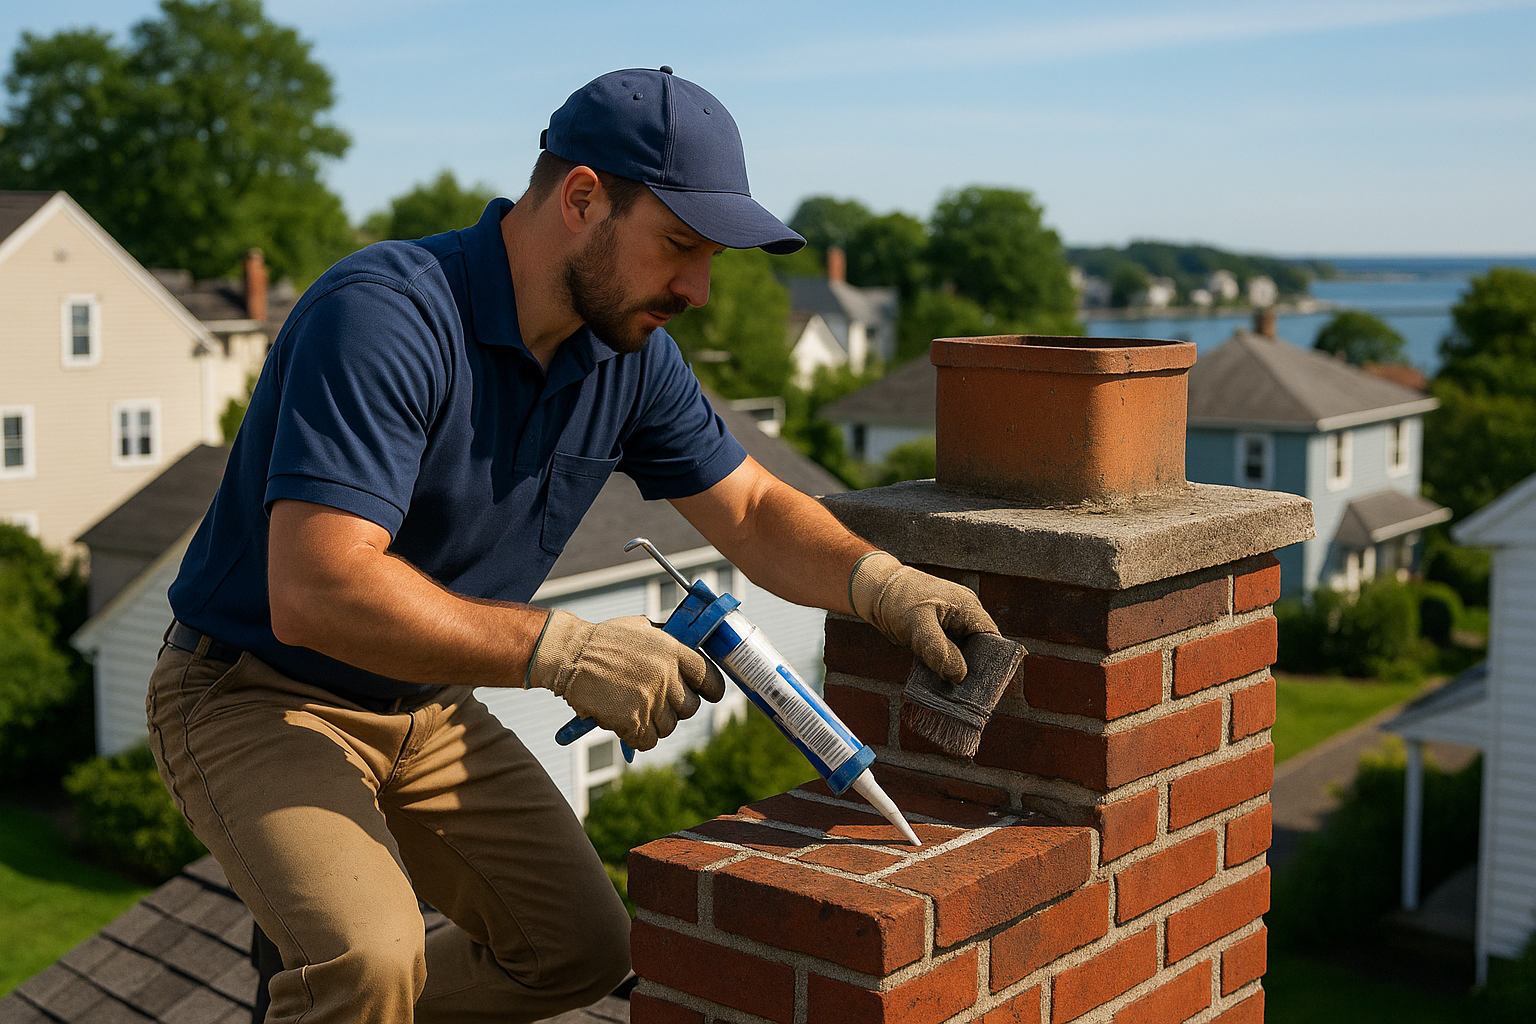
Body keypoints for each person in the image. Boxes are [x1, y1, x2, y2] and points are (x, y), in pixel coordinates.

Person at [146, 68, 999, 1023]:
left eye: (710, 258)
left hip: (420, 703)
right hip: (259, 692)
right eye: (680, 246)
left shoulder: (625, 357)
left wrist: (881, 584)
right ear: (583, 199)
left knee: (581, 950)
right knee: (368, 961)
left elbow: (754, 510)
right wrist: (567, 650)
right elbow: (318, 587)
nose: (700, 289)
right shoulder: (386, 316)